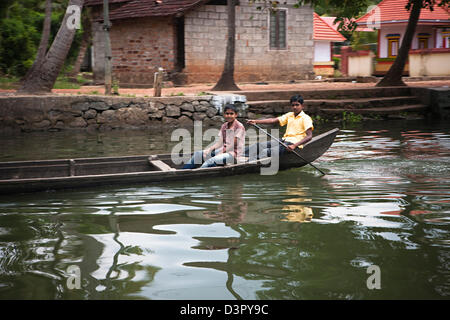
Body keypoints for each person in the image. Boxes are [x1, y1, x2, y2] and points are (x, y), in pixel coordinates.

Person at [246, 94, 313, 159]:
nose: (295, 107)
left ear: (302, 106)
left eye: (297, 105)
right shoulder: (289, 115)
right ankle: (239, 155)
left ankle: (248, 162)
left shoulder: (306, 118)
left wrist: (294, 145)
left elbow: (309, 136)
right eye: (293, 105)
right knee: (258, 145)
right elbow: (273, 120)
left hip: (292, 144)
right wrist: (255, 121)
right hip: (283, 141)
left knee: (265, 152)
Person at [182, 104, 245, 169]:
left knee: (210, 161)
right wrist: (209, 150)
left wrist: (220, 153)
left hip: (234, 154)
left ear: (236, 115)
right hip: (224, 150)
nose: (229, 116)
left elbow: (232, 146)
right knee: (198, 154)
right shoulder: (224, 126)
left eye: (231, 114)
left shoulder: (239, 127)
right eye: (227, 113)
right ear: (224, 114)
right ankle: (183, 171)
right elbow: (219, 143)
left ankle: (198, 173)